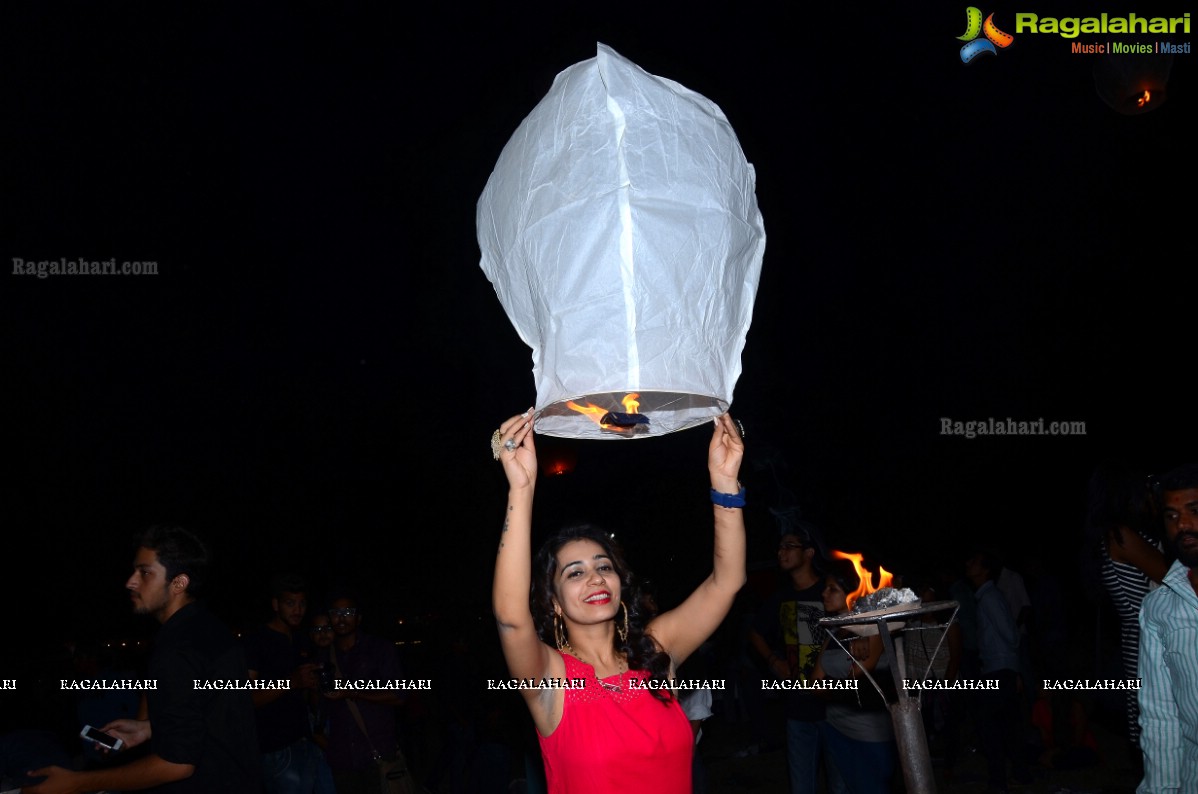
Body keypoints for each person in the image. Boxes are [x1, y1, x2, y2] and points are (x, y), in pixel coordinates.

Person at [491, 409, 746, 793]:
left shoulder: (656, 650)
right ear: (555, 602)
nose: (594, 577)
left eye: (603, 566)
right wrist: (521, 490)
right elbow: (511, 617)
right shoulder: (551, 679)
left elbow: (727, 582)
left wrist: (725, 483)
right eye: (574, 573)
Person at [28, 525, 260, 793]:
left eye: (145, 572)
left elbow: (177, 764)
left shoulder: (176, 650)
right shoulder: (209, 629)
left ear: (178, 583)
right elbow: (216, 712)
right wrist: (149, 728)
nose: (131, 581)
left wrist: (76, 783)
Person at [748, 525, 843, 793]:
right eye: (780, 547)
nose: (781, 552)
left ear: (809, 552)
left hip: (834, 705)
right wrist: (773, 661)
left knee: (841, 784)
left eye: (789, 546)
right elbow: (755, 633)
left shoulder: (830, 590)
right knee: (802, 786)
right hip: (797, 707)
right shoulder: (780, 598)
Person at [1084, 463, 1169, 751]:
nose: (1151, 490)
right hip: (1151, 644)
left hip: (1146, 640)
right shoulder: (1121, 535)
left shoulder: (1122, 533)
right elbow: (1175, 578)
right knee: (1163, 735)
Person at [1137, 463, 1198, 794]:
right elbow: (1160, 716)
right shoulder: (1160, 607)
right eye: (1171, 516)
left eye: (1194, 510)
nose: (1183, 524)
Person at [812, 557, 895, 794]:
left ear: (852, 594)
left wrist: (832, 685)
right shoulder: (834, 632)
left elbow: (853, 681)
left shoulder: (874, 631)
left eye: (832, 589)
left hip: (869, 733)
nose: (824, 594)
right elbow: (815, 684)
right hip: (835, 727)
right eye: (825, 588)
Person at [242, 573, 331, 794]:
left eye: (302, 603)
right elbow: (246, 697)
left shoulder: (300, 639)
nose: (297, 610)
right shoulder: (256, 641)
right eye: (290, 603)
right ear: (276, 605)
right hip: (276, 749)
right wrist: (292, 682)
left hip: (308, 740)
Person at [322, 594, 408, 794]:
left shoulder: (379, 649)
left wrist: (352, 692)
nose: (341, 618)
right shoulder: (324, 655)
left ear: (358, 618)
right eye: (336, 613)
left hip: (376, 753)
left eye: (348, 612)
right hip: (340, 757)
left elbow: (399, 694)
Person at [965, 549, 1032, 792]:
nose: (968, 565)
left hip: (998, 671)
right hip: (1000, 670)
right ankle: (1018, 775)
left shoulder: (990, 597)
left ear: (984, 570)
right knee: (1008, 727)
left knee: (992, 729)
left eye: (973, 561)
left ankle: (999, 782)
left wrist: (1011, 670)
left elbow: (1011, 635)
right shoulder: (987, 596)